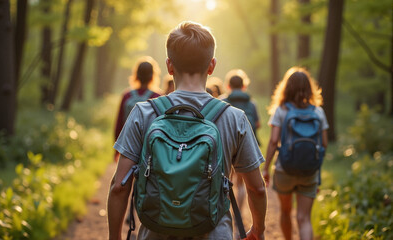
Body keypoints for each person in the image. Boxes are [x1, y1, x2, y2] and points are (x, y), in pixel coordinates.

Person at [108, 21, 266, 240]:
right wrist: (258, 229)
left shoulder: (143, 113)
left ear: (169, 66)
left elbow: (118, 186)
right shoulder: (234, 117)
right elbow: (257, 189)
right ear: (212, 66)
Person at [262, 67, 329, 240]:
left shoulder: (282, 110)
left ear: (286, 87)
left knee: (285, 211)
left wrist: (266, 168)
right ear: (309, 88)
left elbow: (273, 141)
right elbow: (324, 144)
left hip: (285, 169)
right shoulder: (318, 112)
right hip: (309, 171)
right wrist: (315, 168)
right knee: (304, 218)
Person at [222, 69, 261, 236]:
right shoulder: (251, 103)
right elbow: (257, 124)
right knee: (241, 183)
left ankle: (229, 211)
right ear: (244, 85)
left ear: (229, 85)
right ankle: (241, 211)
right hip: (244, 146)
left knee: (226, 180)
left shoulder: (223, 101)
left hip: (227, 145)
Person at [113, 56, 161, 161]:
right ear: (153, 75)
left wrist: (116, 150)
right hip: (149, 148)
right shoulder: (158, 97)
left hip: (128, 146)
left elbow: (119, 124)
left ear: (136, 75)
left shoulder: (127, 96)